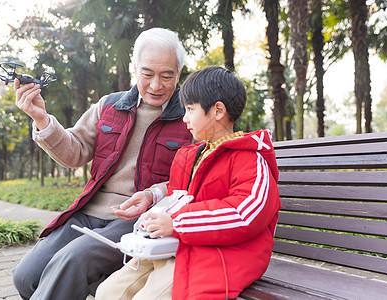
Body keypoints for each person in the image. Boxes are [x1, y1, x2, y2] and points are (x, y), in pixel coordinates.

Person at [12, 27, 193, 300]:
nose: (156, 85)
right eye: (147, 74)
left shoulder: (191, 116)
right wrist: (41, 119)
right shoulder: (109, 105)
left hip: (137, 220)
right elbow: (74, 152)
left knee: (71, 263)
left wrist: (155, 194)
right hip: (89, 212)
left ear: (179, 73)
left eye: (167, 76)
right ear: (135, 69)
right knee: (26, 276)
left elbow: (193, 177)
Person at [95, 65, 282, 300]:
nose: (184, 119)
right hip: (178, 244)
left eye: (190, 110)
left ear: (217, 111)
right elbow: (177, 198)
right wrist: (154, 215)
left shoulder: (250, 158)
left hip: (221, 254)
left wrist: (176, 223)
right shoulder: (190, 156)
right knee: (107, 293)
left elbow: (245, 213)